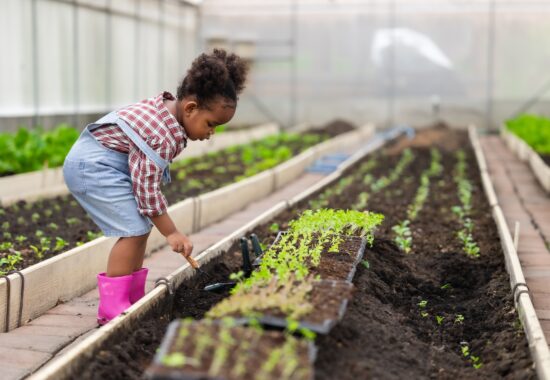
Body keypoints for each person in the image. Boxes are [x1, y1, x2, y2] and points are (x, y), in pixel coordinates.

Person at [63, 49, 248, 325]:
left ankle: (130, 299)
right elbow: (146, 189)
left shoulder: (171, 116)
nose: (211, 133)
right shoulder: (160, 133)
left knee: (140, 228)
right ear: (190, 108)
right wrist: (172, 232)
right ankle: (112, 310)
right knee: (133, 229)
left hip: (105, 164)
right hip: (92, 168)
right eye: (211, 125)